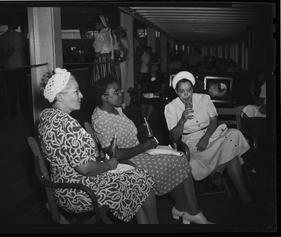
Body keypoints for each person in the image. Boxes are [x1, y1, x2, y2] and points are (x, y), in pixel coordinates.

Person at [38, 67, 158, 224]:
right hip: (78, 192)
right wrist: (108, 165)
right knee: (143, 180)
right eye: (76, 91)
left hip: (61, 185)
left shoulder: (47, 117)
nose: (81, 95)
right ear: (60, 96)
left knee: (135, 179)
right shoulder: (68, 125)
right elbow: (85, 168)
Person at [91, 75, 214, 224]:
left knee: (179, 157)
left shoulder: (116, 109)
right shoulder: (100, 119)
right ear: (104, 97)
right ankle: (188, 211)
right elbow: (113, 154)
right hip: (126, 162)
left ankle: (185, 209)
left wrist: (143, 137)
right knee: (173, 161)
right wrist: (143, 147)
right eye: (116, 91)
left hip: (138, 152)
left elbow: (124, 134)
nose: (121, 92)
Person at [164, 71, 253, 210]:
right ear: (176, 91)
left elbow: (214, 120)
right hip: (192, 142)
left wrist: (206, 138)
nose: (186, 94)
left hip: (211, 134)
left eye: (189, 90)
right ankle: (243, 194)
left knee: (234, 133)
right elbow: (174, 136)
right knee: (232, 153)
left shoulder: (204, 99)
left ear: (193, 88)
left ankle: (217, 171)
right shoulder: (170, 107)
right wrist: (182, 120)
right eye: (182, 91)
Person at [0, 18, 30, 118]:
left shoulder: (3, 36)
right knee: (23, 90)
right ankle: (24, 110)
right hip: (21, 65)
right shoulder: (20, 35)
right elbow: (26, 46)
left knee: (11, 91)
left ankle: (13, 112)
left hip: (8, 66)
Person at [90, 15, 120, 87]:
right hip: (110, 62)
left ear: (101, 24)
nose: (94, 26)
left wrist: (92, 55)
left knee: (100, 82)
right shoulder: (112, 35)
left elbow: (97, 54)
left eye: (95, 24)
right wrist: (115, 60)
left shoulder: (100, 35)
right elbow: (117, 53)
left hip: (102, 61)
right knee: (109, 82)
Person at [138, 55, 167, 123]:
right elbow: (139, 85)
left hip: (157, 95)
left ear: (158, 67)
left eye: (156, 66)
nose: (154, 68)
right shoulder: (146, 76)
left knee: (151, 104)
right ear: (150, 67)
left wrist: (159, 92)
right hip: (147, 94)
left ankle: (146, 122)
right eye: (153, 66)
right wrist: (134, 89)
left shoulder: (161, 76)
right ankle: (144, 121)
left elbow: (163, 87)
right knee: (143, 103)